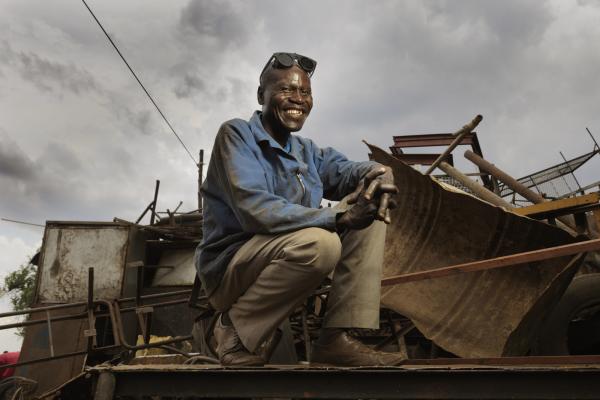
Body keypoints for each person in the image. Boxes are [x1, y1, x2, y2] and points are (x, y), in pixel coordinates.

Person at [196, 52, 401, 366]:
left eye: (304, 92)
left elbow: (347, 170)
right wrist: (339, 217)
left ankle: (336, 339)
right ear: (261, 95)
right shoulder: (236, 135)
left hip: (282, 257)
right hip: (232, 268)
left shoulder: (306, 151)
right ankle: (230, 328)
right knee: (321, 244)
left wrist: (378, 171)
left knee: (370, 206)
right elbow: (256, 210)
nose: (297, 99)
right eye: (285, 90)